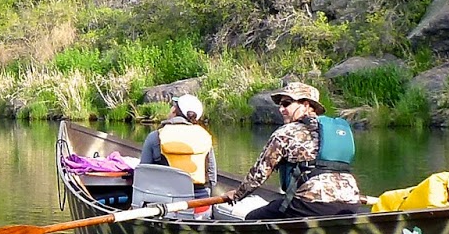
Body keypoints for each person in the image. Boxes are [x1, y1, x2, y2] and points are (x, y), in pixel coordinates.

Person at [222, 81, 366, 220]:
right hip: (351, 202)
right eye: (280, 105)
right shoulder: (336, 130)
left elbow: (258, 175)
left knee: (253, 218)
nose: (281, 109)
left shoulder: (285, 132)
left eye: (286, 104)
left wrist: (237, 195)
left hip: (312, 204)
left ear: (305, 105)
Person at [138, 93, 217, 197]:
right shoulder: (204, 136)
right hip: (200, 200)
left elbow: (143, 174)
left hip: (166, 201)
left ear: (174, 111)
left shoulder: (155, 136)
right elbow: (212, 177)